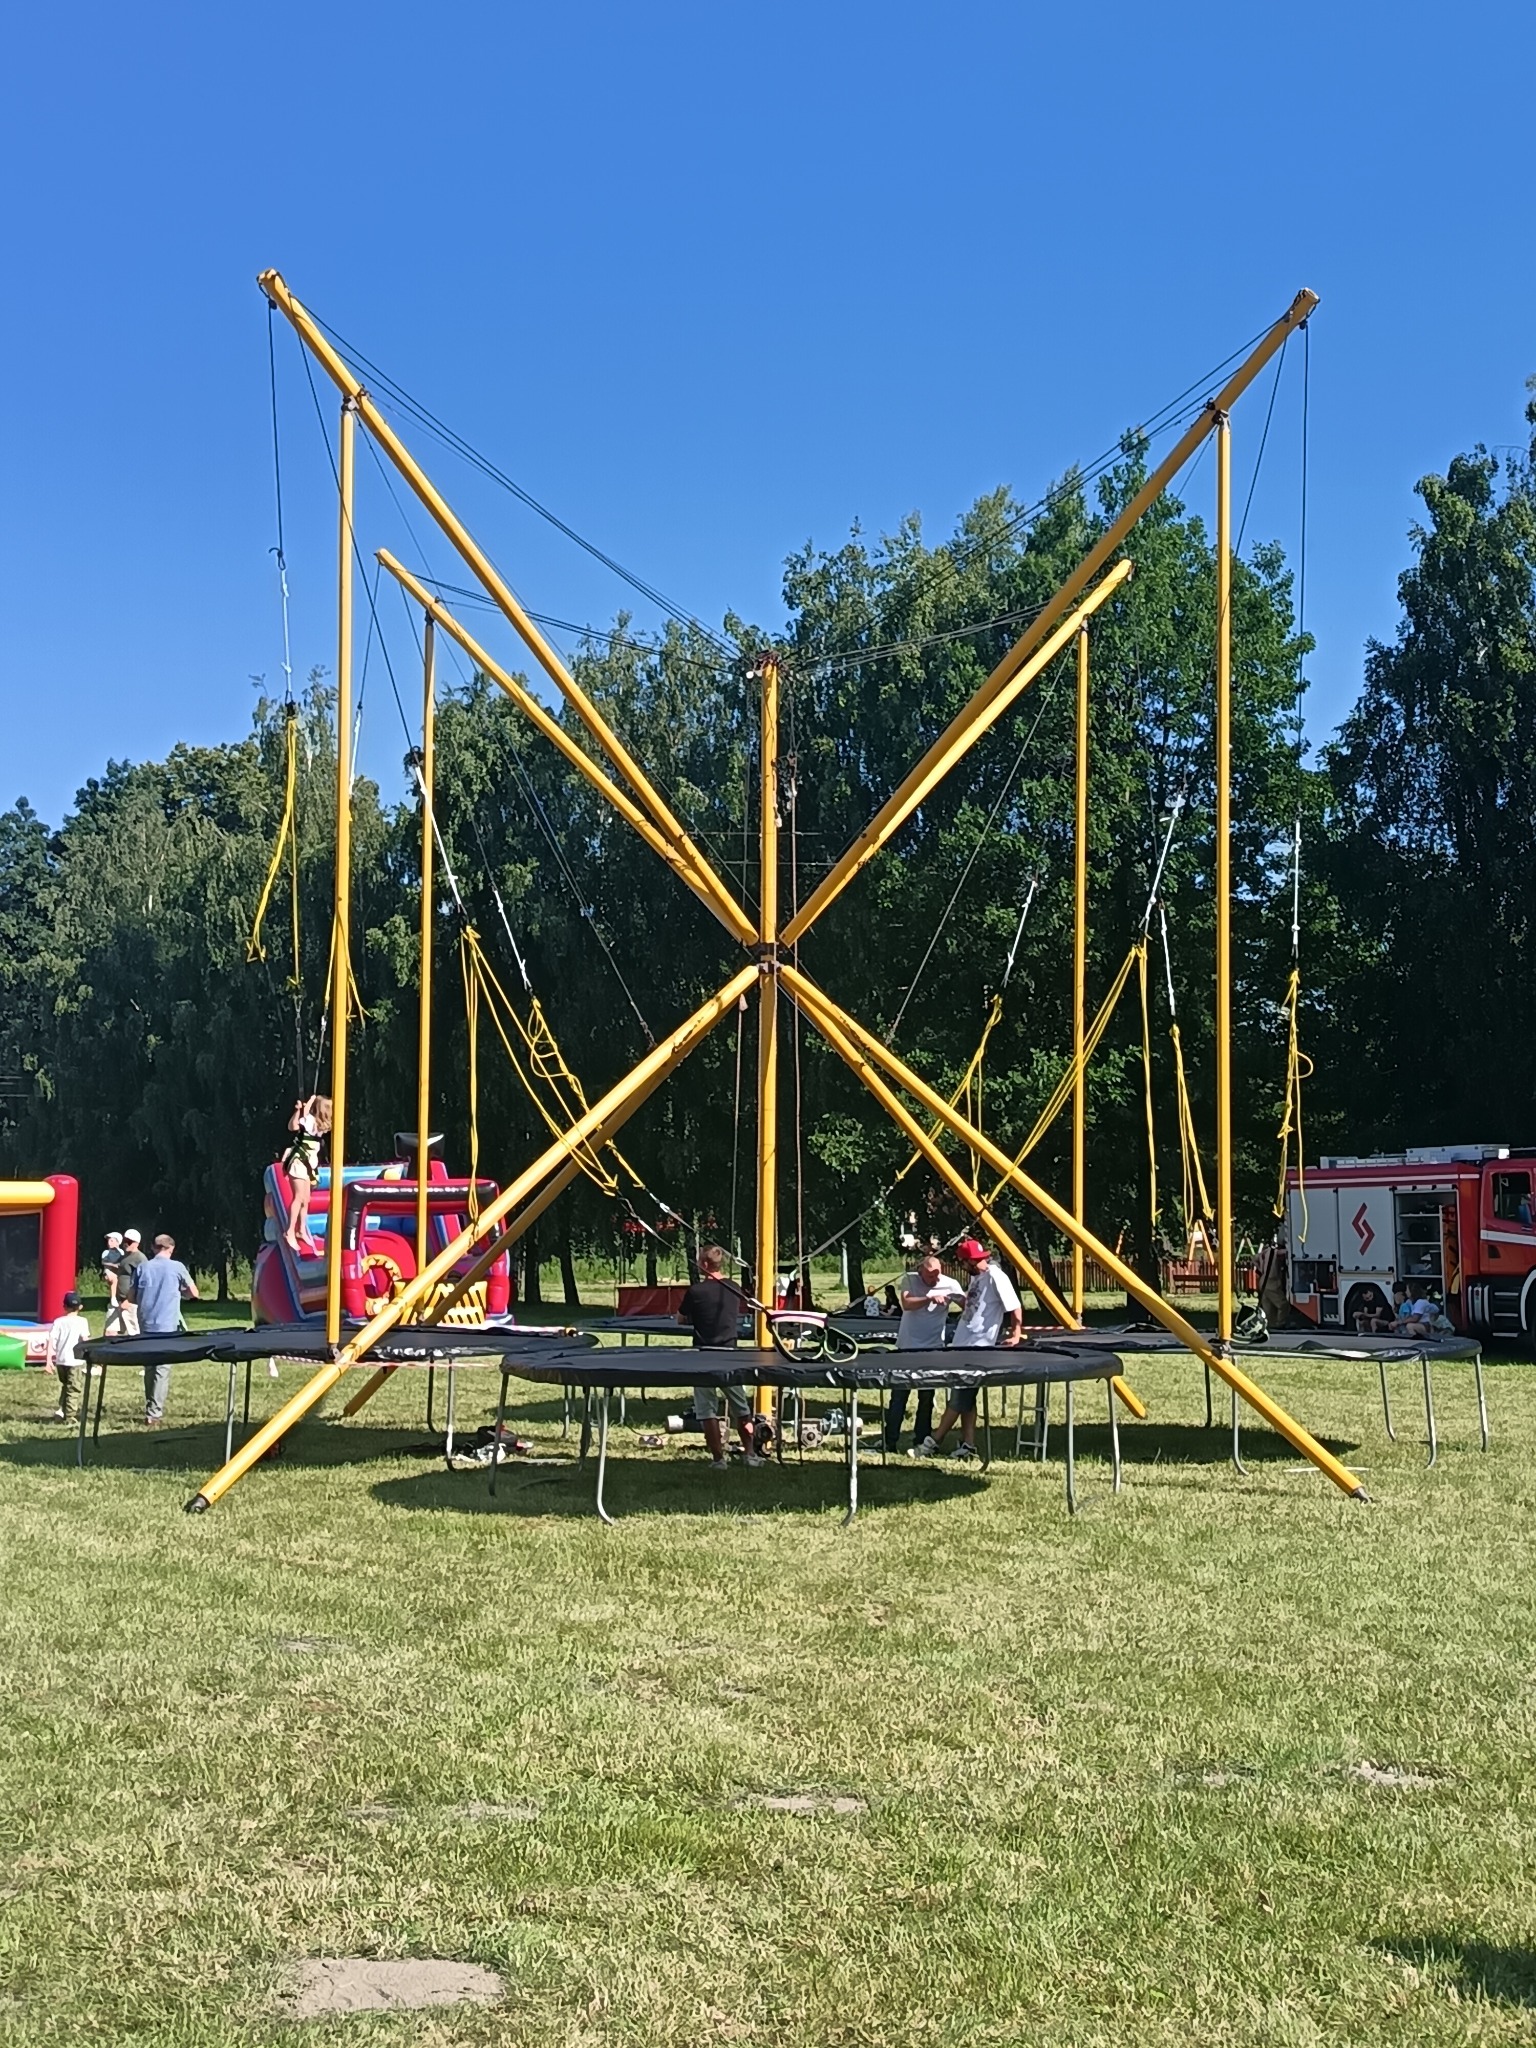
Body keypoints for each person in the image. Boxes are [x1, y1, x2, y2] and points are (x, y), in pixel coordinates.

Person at [913, 1237, 1021, 1461]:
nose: (961, 1266)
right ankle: (968, 1445)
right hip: (963, 1343)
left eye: (962, 1262)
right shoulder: (977, 1278)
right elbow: (972, 1306)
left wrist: (1015, 1334)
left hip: (978, 1347)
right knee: (966, 1397)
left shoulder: (995, 1277)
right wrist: (953, 1298)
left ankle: (933, 1441)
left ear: (969, 1261)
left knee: (959, 1397)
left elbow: (1015, 1306)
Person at [676, 1244, 760, 1469]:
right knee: (741, 1407)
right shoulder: (734, 1288)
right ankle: (750, 1454)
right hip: (729, 1354)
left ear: (704, 1265)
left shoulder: (696, 1291)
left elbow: (680, 1319)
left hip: (703, 1355)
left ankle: (718, 1459)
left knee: (706, 1409)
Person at [883, 1252, 964, 1453]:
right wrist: (929, 1298)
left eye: (937, 1275)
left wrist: (961, 1303)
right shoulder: (910, 1280)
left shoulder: (950, 1283)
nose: (934, 1279)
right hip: (907, 1345)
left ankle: (921, 1438)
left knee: (927, 1396)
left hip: (933, 1346)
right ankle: (889, 1441)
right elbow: (907, 1304)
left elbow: (967, 1305)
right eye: (929, 1276)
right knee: (899, 1394)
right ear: (921, 1271)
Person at [134, 1234, 199, 1426]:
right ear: (171, 1249)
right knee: (162, 1368)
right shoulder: (177, 1267)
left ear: (153, 1248)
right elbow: (194, 1293)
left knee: (149, 1366)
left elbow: (130, 1297)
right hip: (167, 1324)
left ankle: (150, 1407)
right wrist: (181, 1292)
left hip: (146, 1323)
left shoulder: (142, 1267)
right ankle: (154, 1413)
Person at [282, 1095, 333, 1249]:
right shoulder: (309, 1120)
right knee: (298, 1197)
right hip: (298, 1162)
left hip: (308, 1164)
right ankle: (289, 1230)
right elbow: (293, 1127)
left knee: (306, 1199)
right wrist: (302, 1109)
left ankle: (301, 1229)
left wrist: (310, 1102)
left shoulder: (319, 1124)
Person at [45, 1290, 92, 1425]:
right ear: (81, 1307)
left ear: (64, 1306)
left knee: (66, 1385)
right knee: (74, 1388)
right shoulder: (82, 1321)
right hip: (75, 1361)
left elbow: (51, 1341)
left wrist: (49, 1361)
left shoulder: (58, 1322)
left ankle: (62, 1410)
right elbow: (85, 1340)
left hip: (61, 1361)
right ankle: (70, 1416)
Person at [108, 1229, 147, 1335]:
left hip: (130, 1302)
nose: (126, 1244)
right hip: (118, 1300)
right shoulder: (124, 1256)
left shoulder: (140, 1258)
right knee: (110, 1333)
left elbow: (143, 1282)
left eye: (129, 1242)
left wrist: (130, 1300)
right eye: (125, 1241)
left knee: (133, 1333)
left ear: (137, 1243)